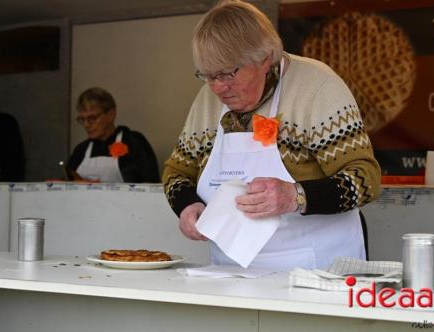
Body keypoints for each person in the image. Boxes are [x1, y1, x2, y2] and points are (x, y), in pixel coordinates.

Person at [162, 0, 381, 271]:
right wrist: (187, 205)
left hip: (319, 269)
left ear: (265, 59)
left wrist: (296, 196)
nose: (218, 87)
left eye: (229, 73)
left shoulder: (317, 86)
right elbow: (176, 172)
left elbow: (366, 179)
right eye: (208, 75)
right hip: (232, 274)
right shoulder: (208, 101)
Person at [67, 87, 160, 183]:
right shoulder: (81, 150)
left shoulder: (134, 142)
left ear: (111, 114)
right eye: (82, 119)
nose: (86, 125)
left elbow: (151, 183)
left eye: (92, 118)